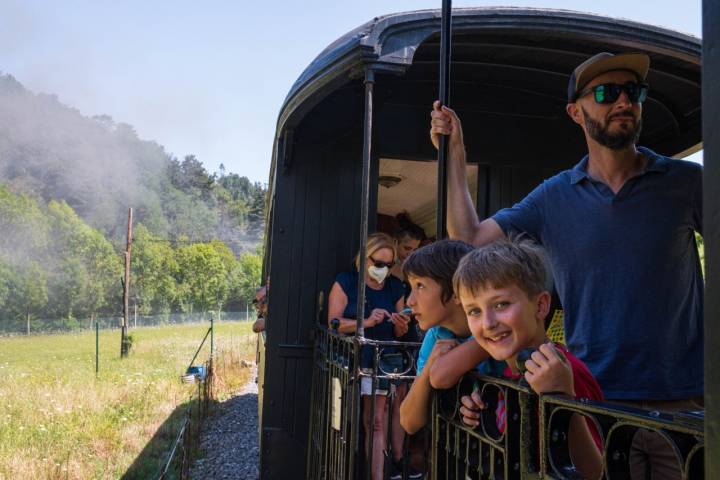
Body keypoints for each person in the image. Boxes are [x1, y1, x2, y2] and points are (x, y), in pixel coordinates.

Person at [430, 52, 703, 478]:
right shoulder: (553, 196)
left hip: (685, 406)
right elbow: (468, 238)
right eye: (606, 93)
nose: (623, 102)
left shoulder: (686, 183)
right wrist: (455, 153)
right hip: (594, 400)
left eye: (633, 92)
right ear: (576, 112)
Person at [454, 238, 604, 480]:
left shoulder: (567, 373)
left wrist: (563, 400)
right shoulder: (509, 373)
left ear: (541, 305)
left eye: (501, 304)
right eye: (474, 311)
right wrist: (481, 416)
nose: (488, 323)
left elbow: (596, 473)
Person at [326, 232, 411, 480]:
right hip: (360, 361)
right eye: (379, 263)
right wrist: (366, 321)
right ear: (365, 259)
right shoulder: (346, 282)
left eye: (390, 264)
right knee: (373, 420)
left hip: (390, 359)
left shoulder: (396, 286)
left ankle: (394, 463)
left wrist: (401, 325)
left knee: (389, 415)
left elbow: (400, 329)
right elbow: (333, 323)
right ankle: (377, 473)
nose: (384, 269)